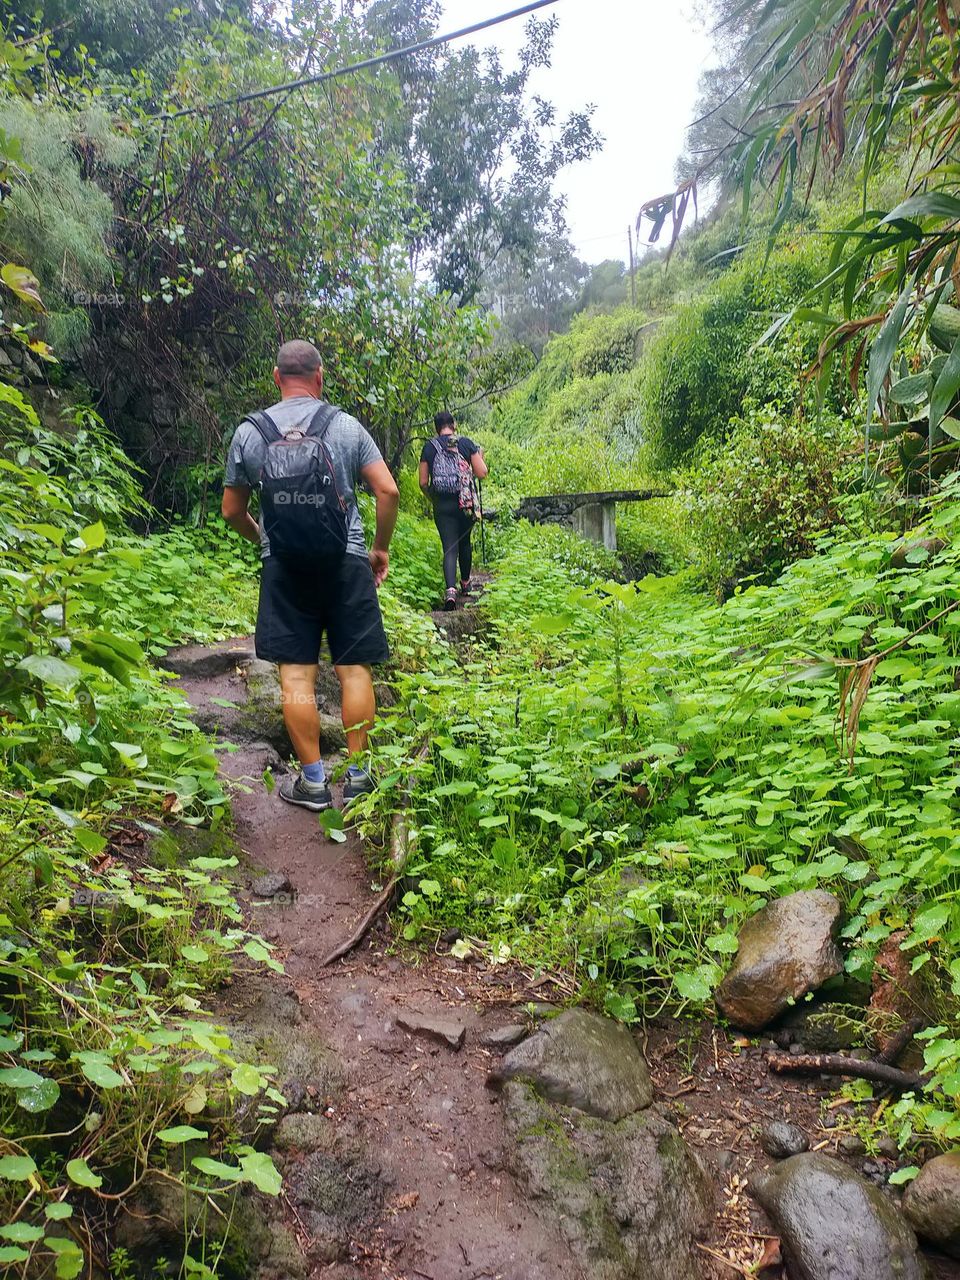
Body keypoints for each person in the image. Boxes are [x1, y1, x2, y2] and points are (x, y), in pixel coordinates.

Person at [221, 339, 399, 812]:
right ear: (319, 377)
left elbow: (230, 510)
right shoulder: (343, 425)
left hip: (285, 566)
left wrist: (262, 536)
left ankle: (314, 783)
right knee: (353, 668)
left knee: (296, 677)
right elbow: (388, 490)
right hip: (346, 559)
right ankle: (359, 778)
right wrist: (378, 548)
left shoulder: (250, 432)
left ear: (277, 378)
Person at [419, 411, 488, 610]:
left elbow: (423, 482)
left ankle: (450, 591)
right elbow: (482, 472)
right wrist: (478, 456)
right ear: (454, 425)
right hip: (464, 502)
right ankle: (465, 584)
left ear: (436, 427)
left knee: (450, 547)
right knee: (465, 542)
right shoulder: (465, 443)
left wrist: (433, 498)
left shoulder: (429, 447)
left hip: (442, 504)